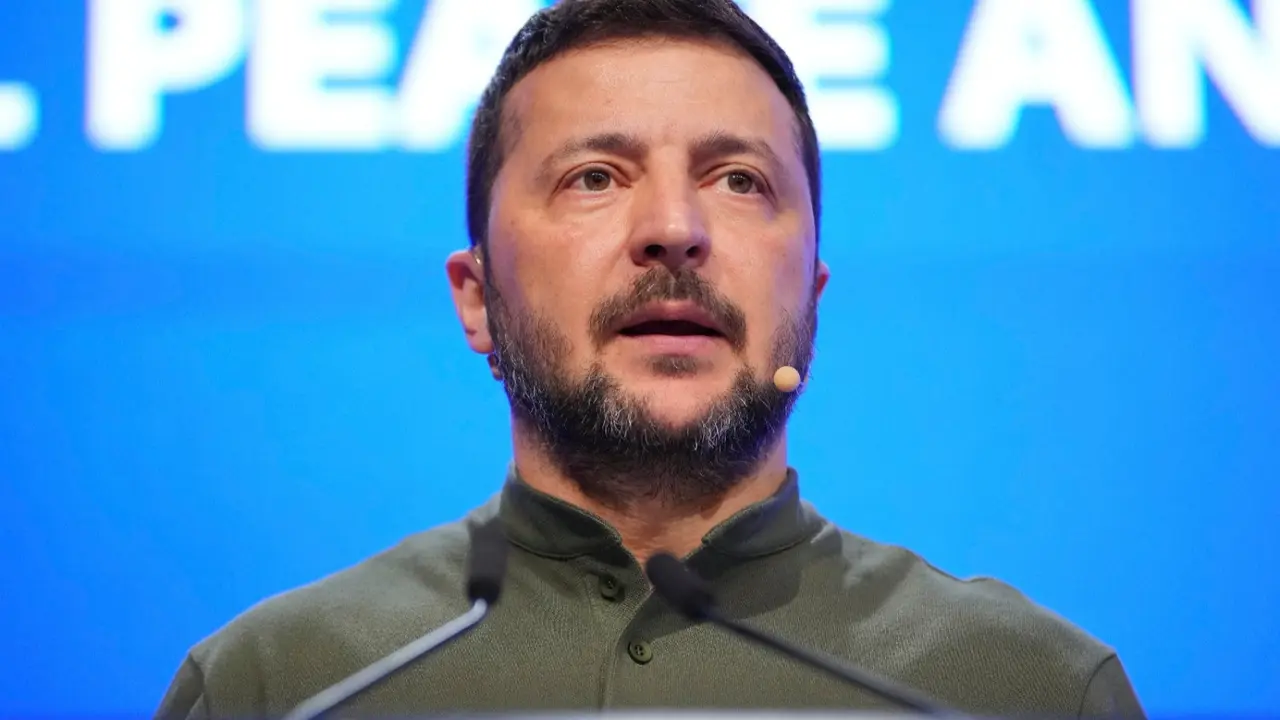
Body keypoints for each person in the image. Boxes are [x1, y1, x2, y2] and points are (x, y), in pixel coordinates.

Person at [155, 0, 1146, 717]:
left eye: (736, 179)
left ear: (810, 292)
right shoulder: (275, 685)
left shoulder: (1025, 689)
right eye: (594, 177)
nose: (673, 229)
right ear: (476, 298)